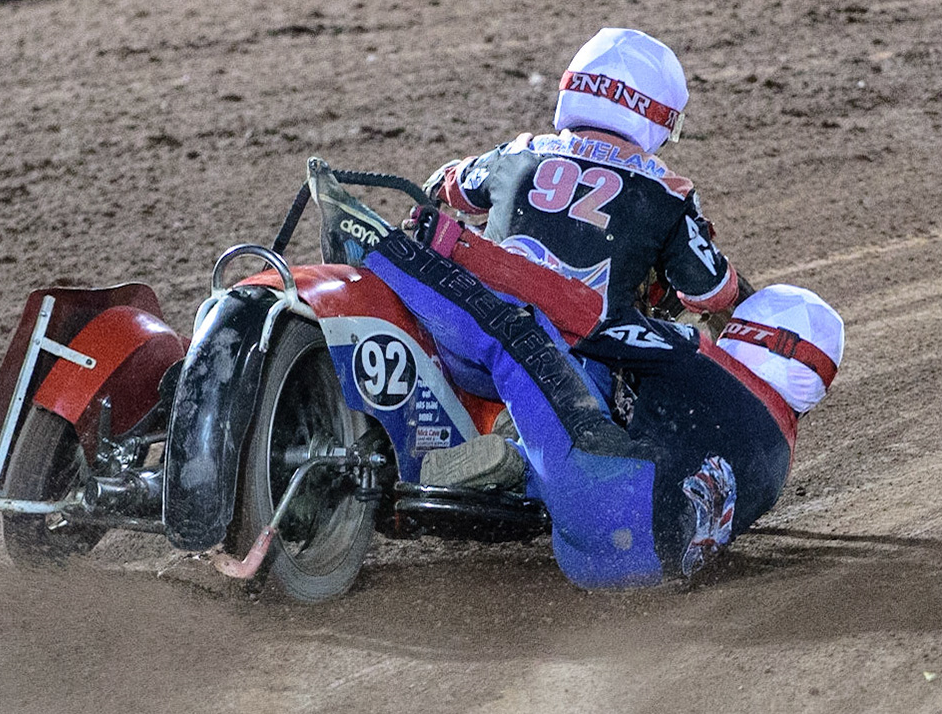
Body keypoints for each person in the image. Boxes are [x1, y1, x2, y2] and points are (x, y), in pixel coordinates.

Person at [312, 160, 844, 586]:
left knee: (519, 336)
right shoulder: (779, 455)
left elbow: (577, 312)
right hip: (641, 569)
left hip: (604, 504)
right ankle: (521, 464)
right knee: (599, 424)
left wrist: (456, 247)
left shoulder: (698, 355)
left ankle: (382, 250)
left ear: (755, 335)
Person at [412, 28, 751, 488]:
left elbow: (445, 184)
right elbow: (710, 290)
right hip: (568, 355)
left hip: (465, 336)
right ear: (656, 116)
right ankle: (521, 453)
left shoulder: (521, 152)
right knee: (622, 395)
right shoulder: (667, 192)